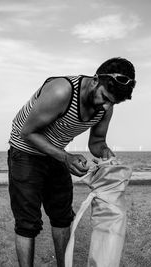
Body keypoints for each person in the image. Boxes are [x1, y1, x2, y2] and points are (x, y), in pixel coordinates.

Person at [7, 57, 136, 267]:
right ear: (95, 80)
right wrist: (65, 157)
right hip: (25, 151)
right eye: (105, 97)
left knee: (62, 216)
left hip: (56, 153)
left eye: (113, 102)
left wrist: (105, 153)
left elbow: (97, 141)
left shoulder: (106, 106)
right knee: (27, 223)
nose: (106, 105)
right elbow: (27, 132)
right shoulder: (61, 91)